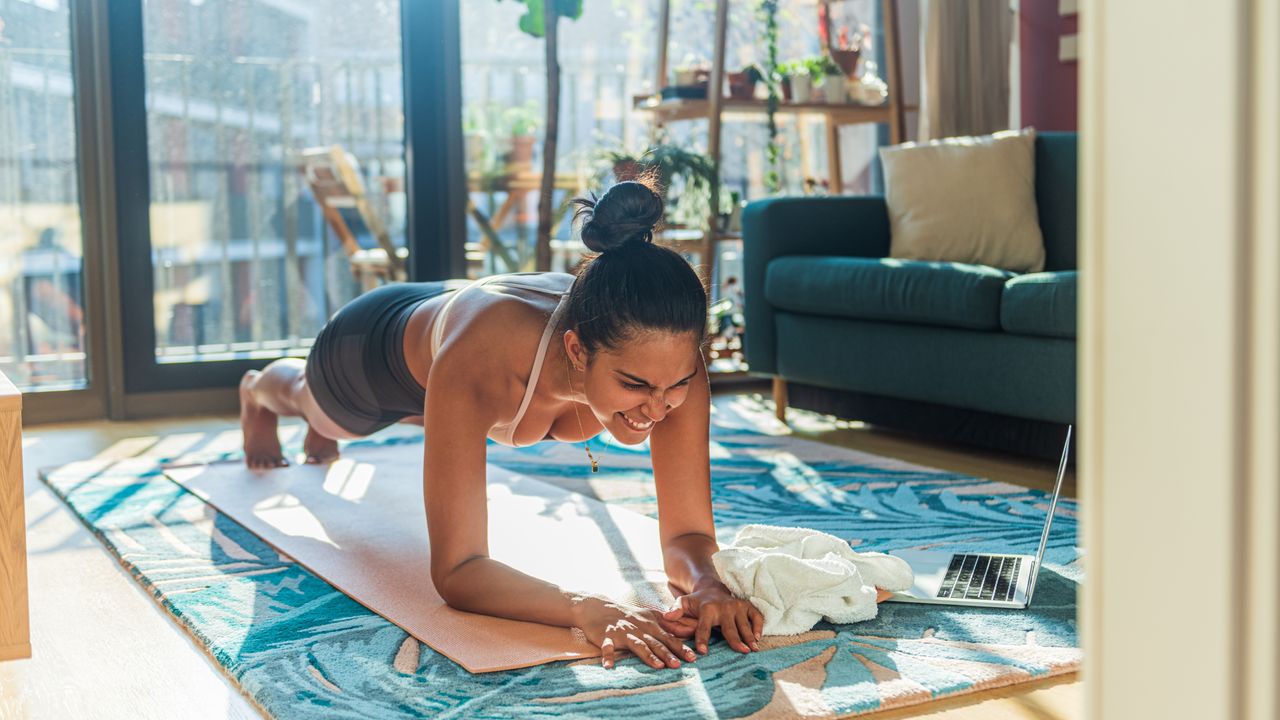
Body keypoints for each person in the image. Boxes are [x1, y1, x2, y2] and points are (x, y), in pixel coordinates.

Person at [239, 180, 888, 670]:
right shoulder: (480, 362)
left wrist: (710, 584)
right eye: (634, 387)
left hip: (461, 326)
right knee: (319, 411)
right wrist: (586, 607)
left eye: (677, 386)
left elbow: (688, 533)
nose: (658, 409)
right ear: (578, 351)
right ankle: (256, 392)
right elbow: (459, 570)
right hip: (375, 347)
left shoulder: (667, 359)